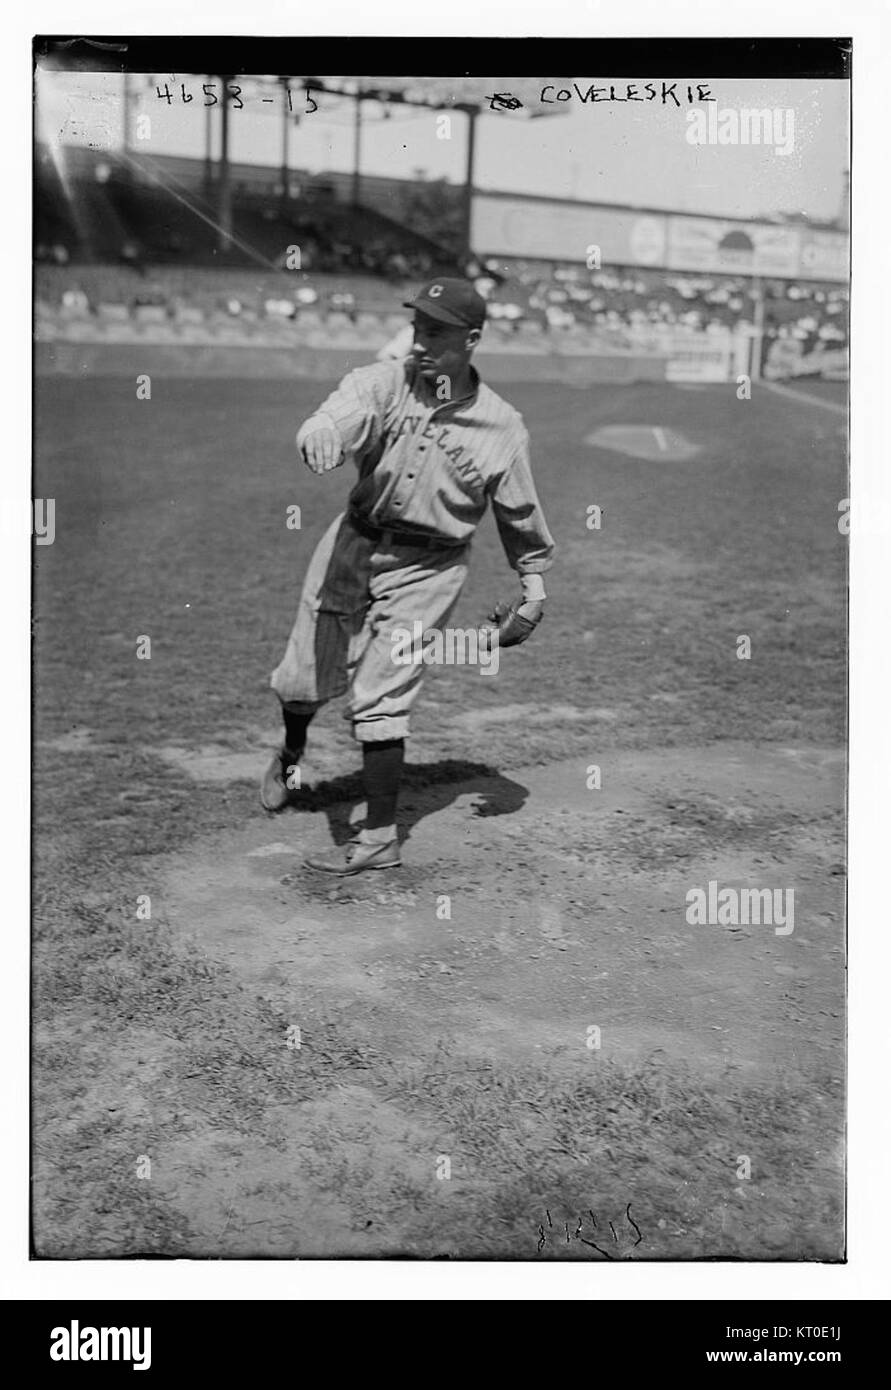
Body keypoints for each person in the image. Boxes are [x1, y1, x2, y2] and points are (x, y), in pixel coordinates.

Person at [262, 277, 556, 875]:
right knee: (302, 679)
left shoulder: (503, 427)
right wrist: (319, 433)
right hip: (353, 542)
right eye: (418, 327)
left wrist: (533, 589)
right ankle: (292, 751)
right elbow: (339, 413)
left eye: (437, 332)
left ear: (471, 340)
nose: (420, 342)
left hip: (431, 567)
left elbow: (520, 514)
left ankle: (379, 838)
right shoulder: (387, 382)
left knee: (382, 693)